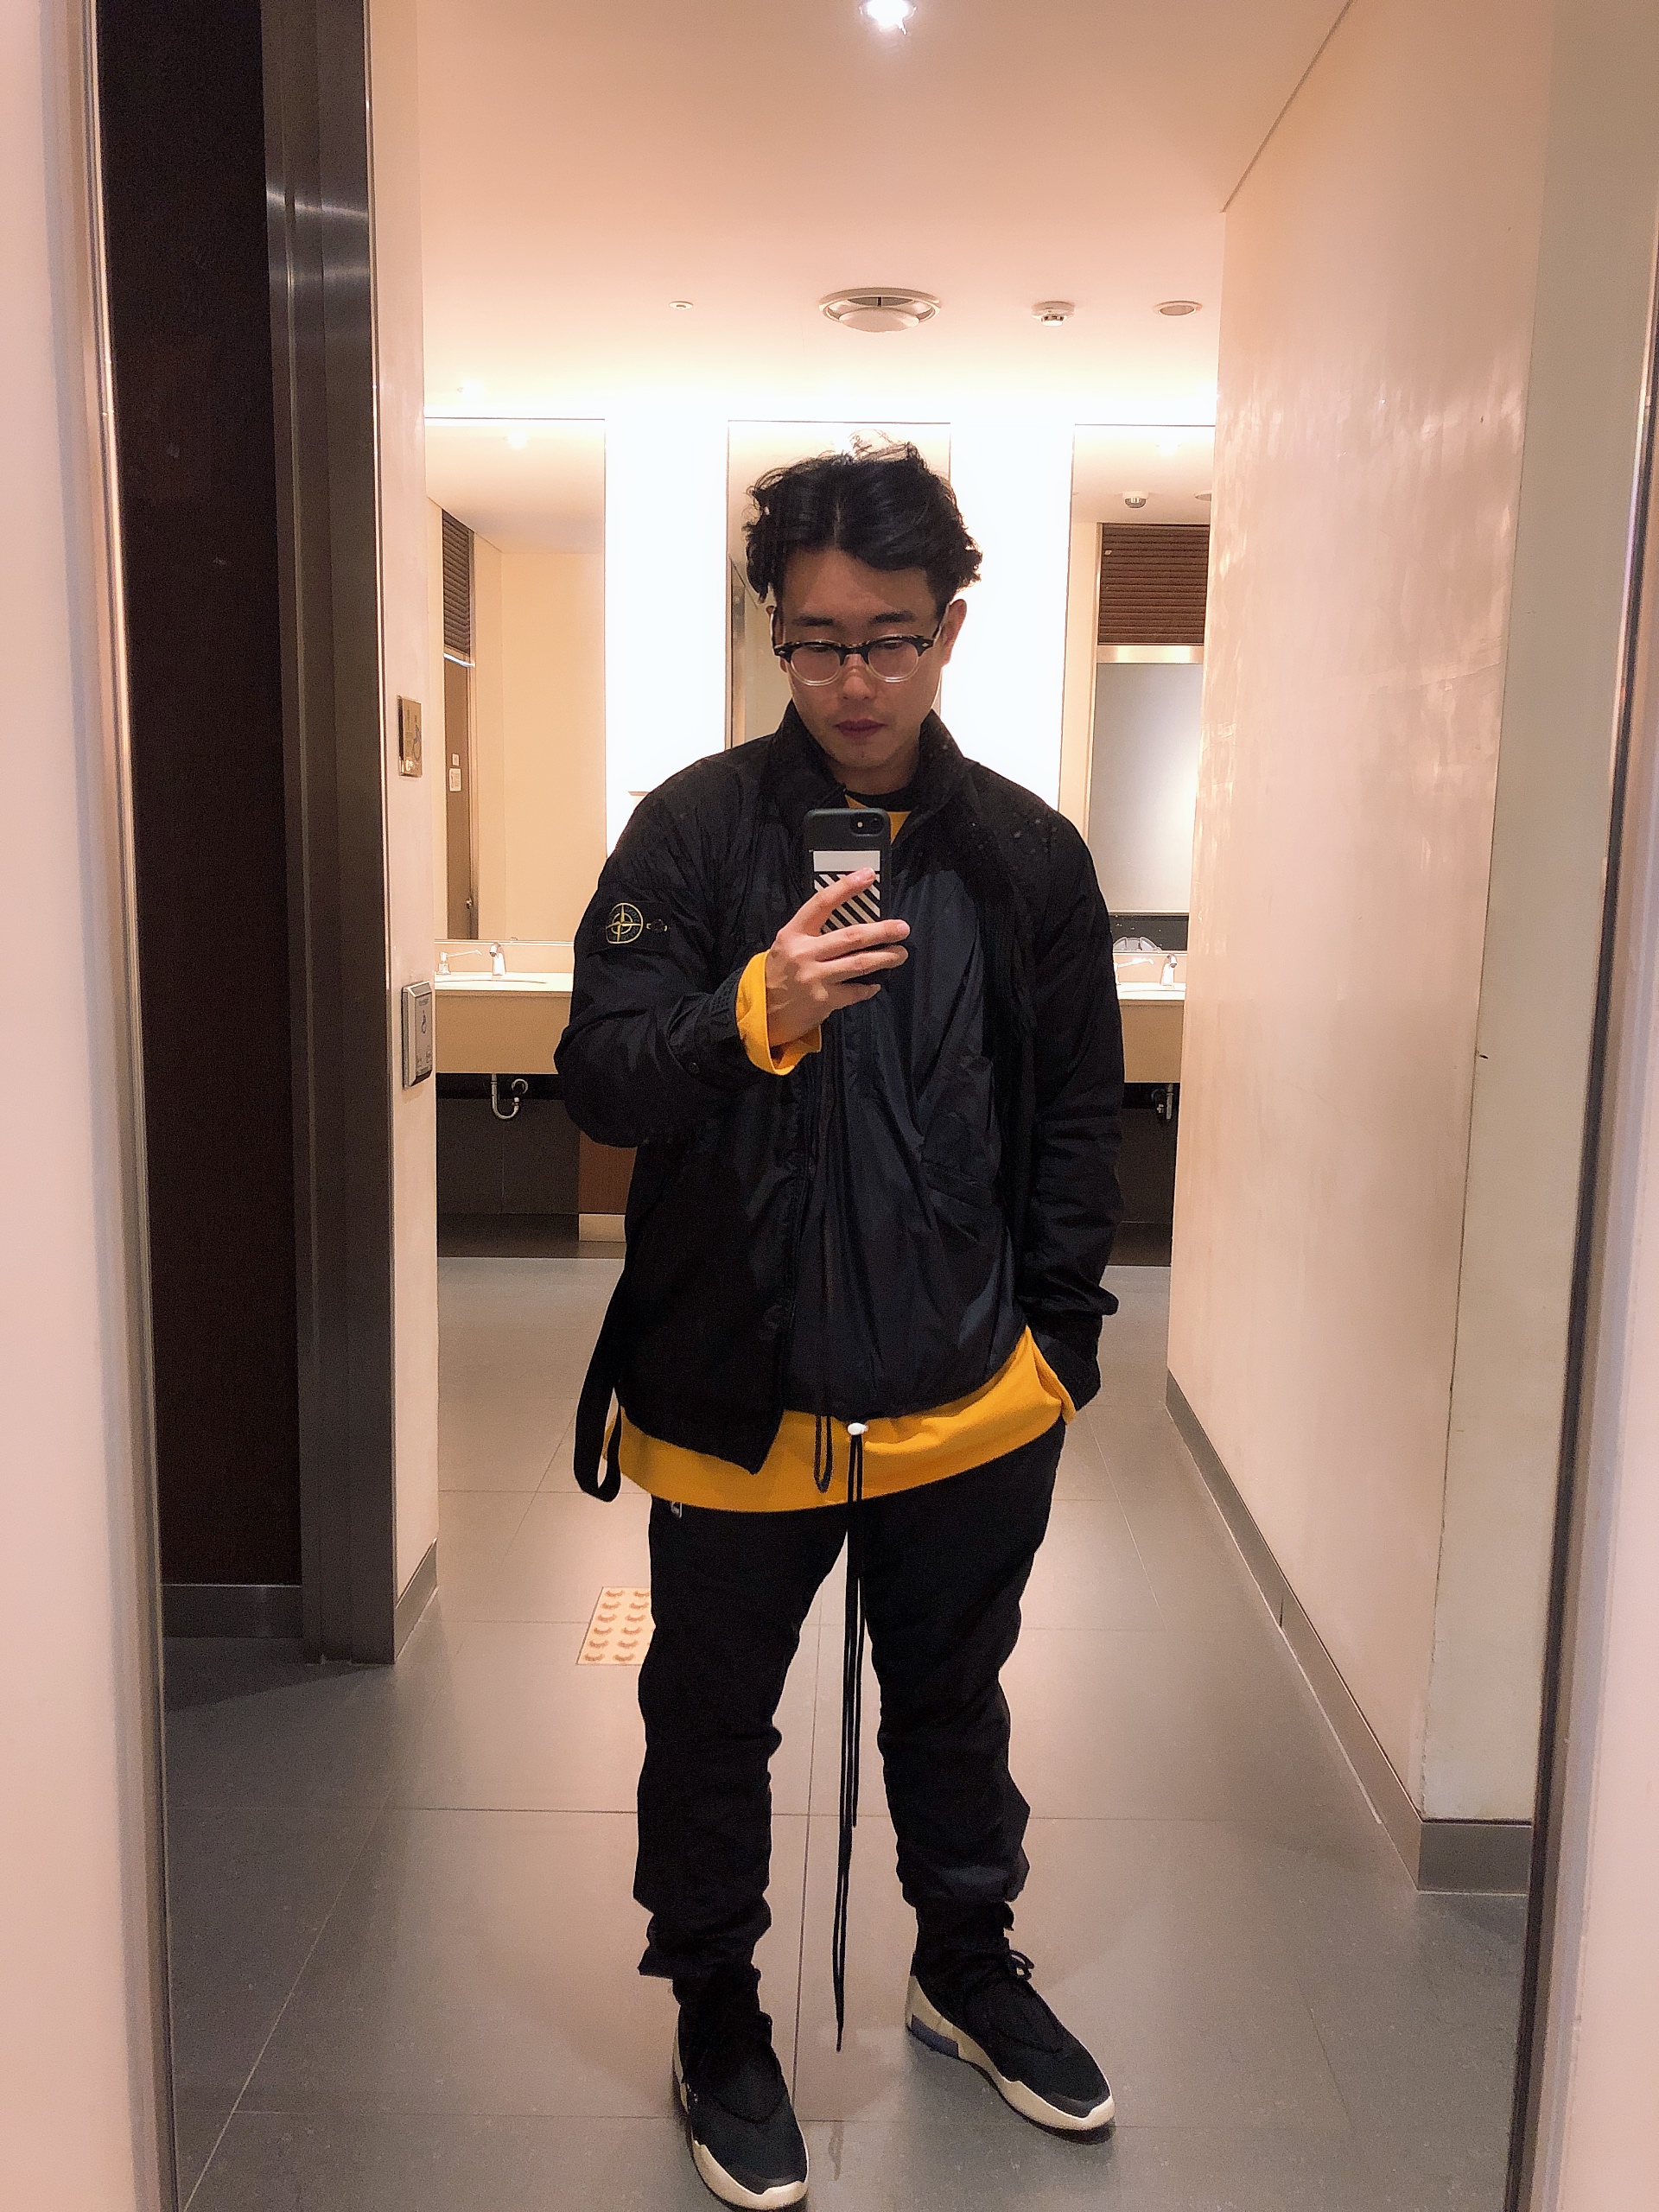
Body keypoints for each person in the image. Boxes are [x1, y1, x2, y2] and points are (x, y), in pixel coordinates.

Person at [557, 443, 1123, 2209]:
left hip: (970, 1398)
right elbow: (601, 1074)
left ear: (950, 630)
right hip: (738, 1393)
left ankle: (966, 1964)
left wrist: (1059, 1347)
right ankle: (717, 2013)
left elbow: (1078, 1118)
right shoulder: (691, 830)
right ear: (772, 634)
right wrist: (749, 1005)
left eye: (889, 639)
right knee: (710, 1720)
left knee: (952, 1700)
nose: (853, 681)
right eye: (814, 642)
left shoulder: (1027, 857)